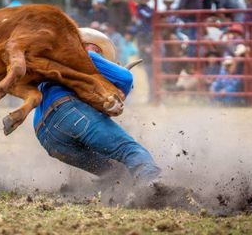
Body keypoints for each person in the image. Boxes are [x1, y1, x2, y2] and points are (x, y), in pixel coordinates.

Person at [34, 28, 161, 187]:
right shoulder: (83, 55)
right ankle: (153, 187)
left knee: (113, 171)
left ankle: (124, 193)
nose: (98, 54)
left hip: (47, 139)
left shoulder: (52, 63)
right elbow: (125, 77)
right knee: (129, 150)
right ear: (86, 45)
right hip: (70, 113)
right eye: (97, 50)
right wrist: (119, 94)